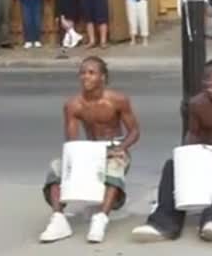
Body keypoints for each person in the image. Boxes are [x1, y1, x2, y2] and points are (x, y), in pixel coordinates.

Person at [132, 59, 212, 243]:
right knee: (171, 166)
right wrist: (187, 154)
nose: (210, 84)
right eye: (207, 79)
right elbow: (193, 133)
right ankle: (163, 224)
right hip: (207, 156)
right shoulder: (196, 104)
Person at [39, 56, 140, 243]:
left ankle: (101, 218)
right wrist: (76, 158)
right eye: (83, 73)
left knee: (115, 166)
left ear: (102, 77)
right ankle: (58, 219)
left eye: (91, 73)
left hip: (114, 146)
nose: (86, 77)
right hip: (89, 149)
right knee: (56, 167)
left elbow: (134, 131)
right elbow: (72, 141)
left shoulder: (118, 100)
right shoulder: (73, 105)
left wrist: (121, 147)